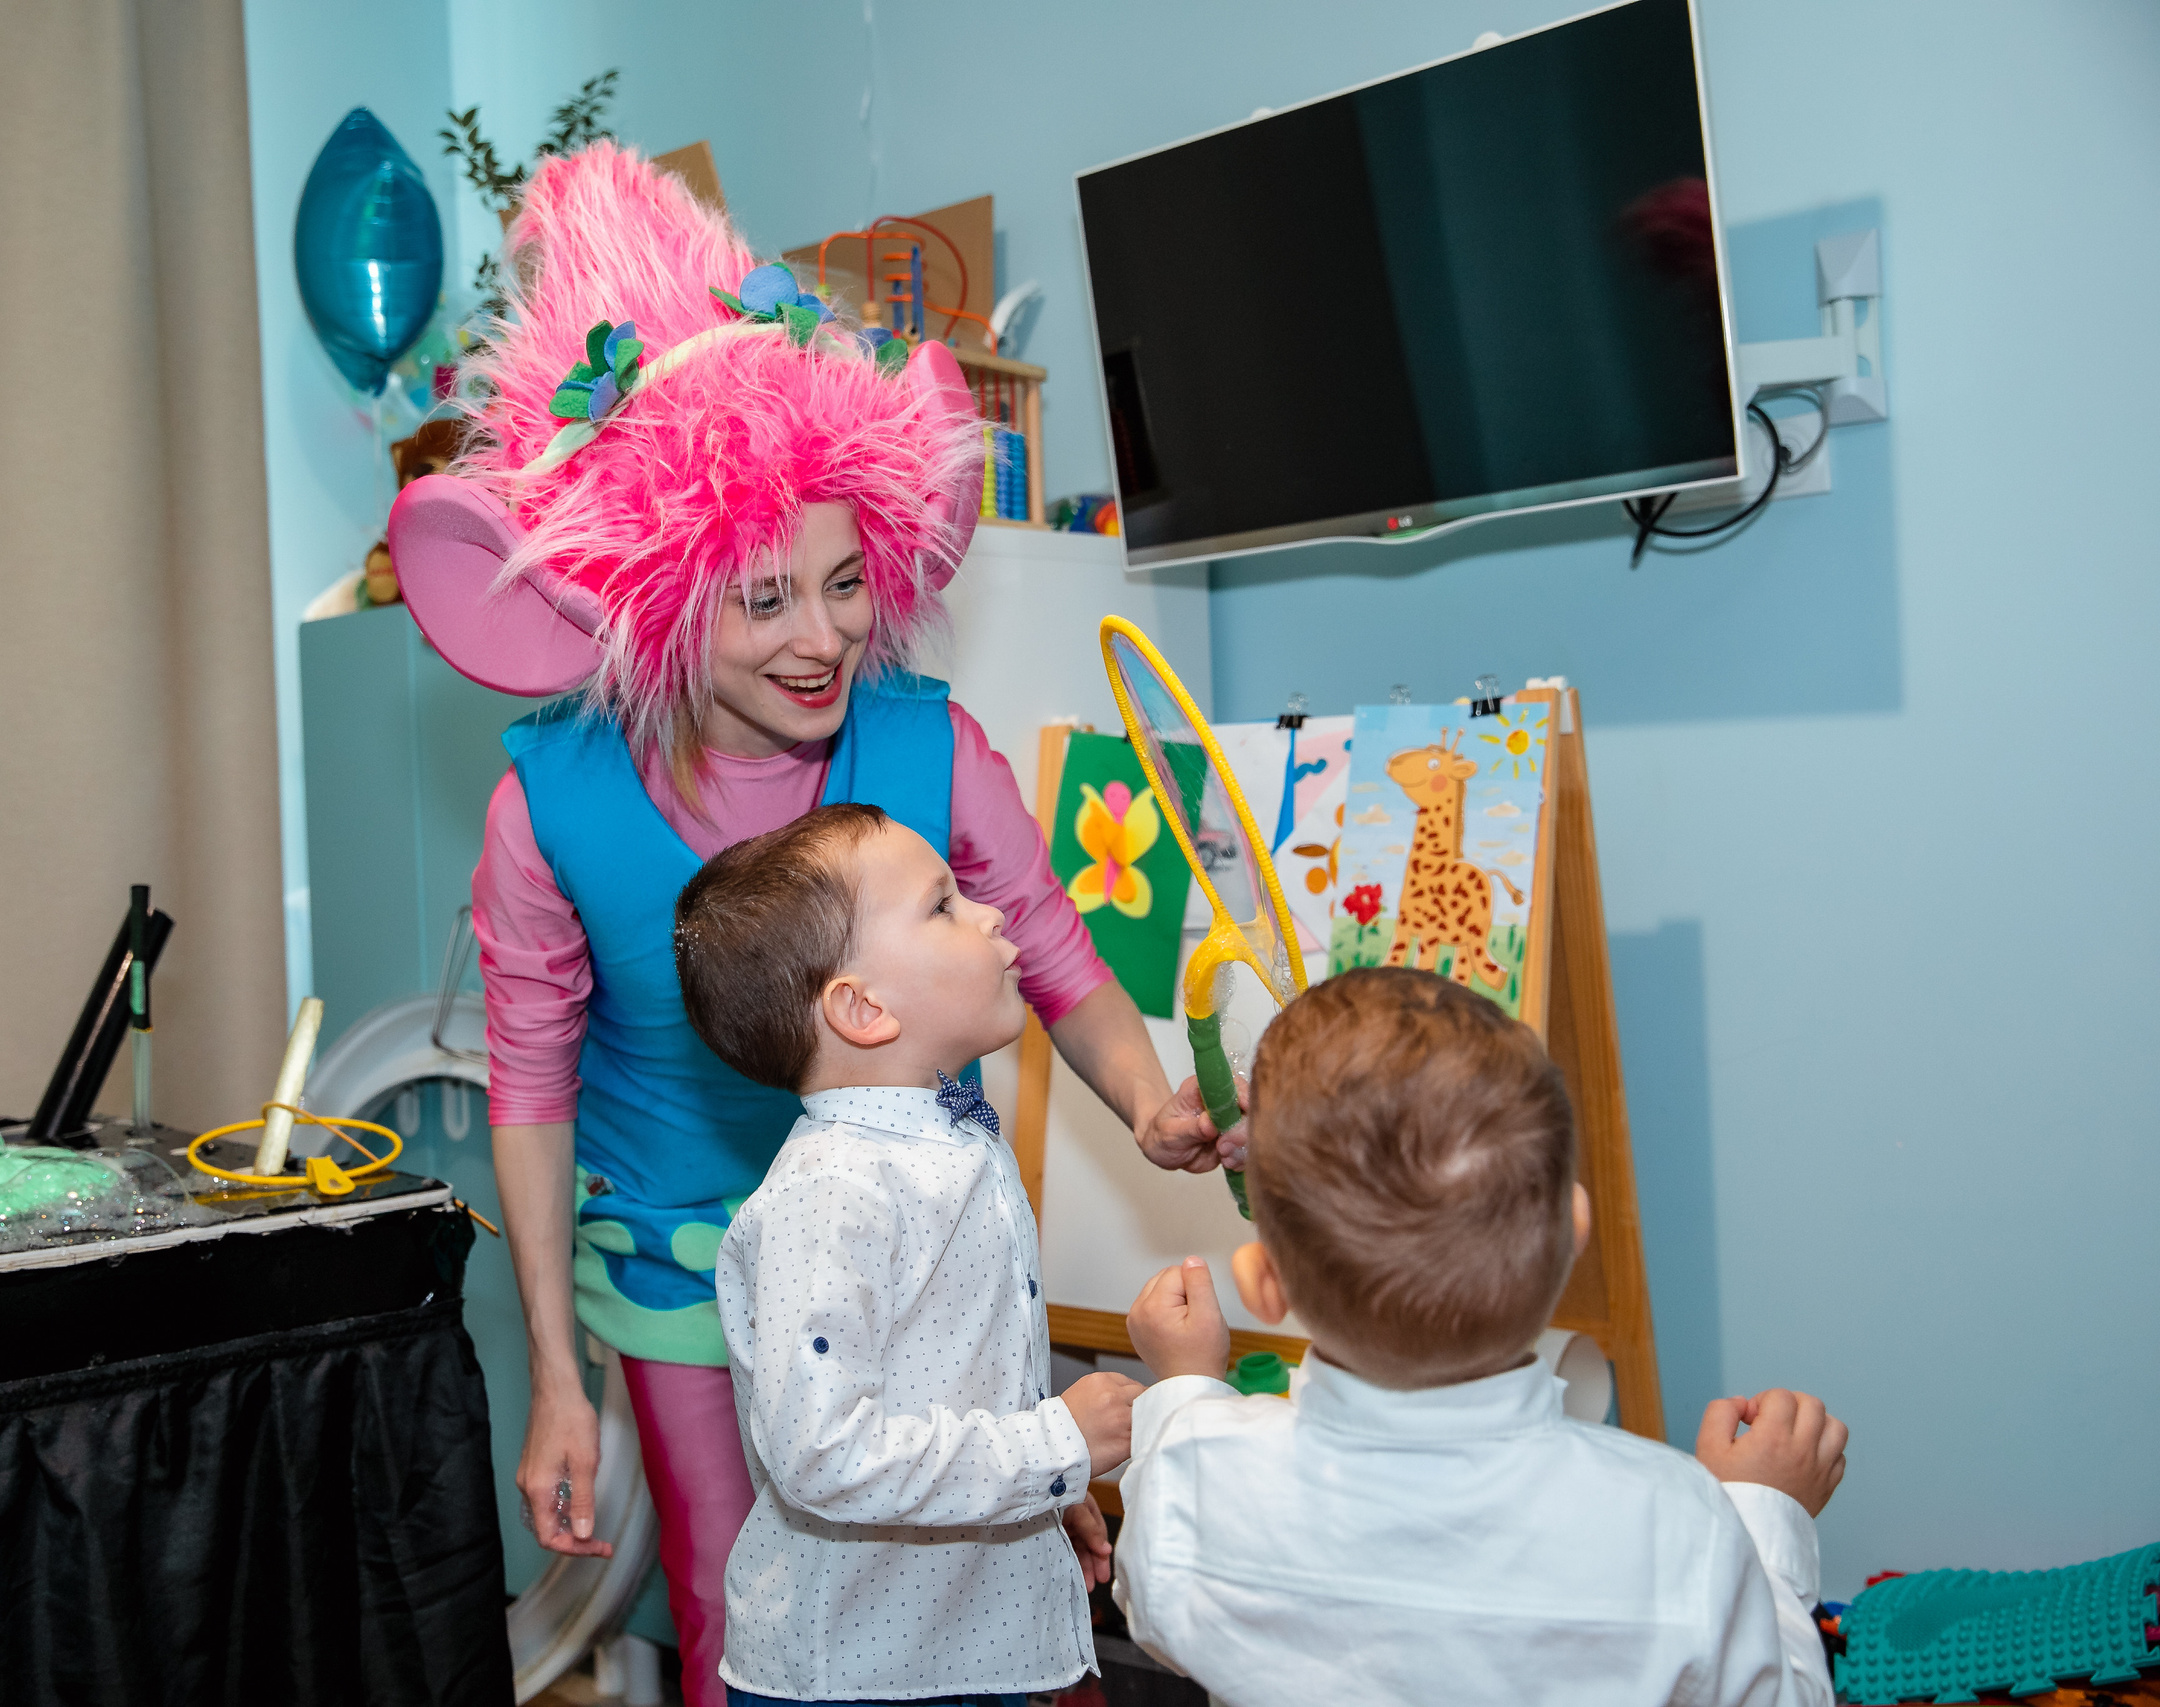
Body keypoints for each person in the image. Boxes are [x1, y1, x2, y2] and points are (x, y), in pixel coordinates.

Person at [382, 141, 1238, 1707]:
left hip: (929, 1246)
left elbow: (1053, 954)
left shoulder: (927, 743)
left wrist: (1155, 1098)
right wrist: (559, 1381)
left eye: (847, 584)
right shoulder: (550, 803)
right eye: (764, 597)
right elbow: (530, 1085)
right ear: (660, 593)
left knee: (987, 1556)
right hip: (676, 1254)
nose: (827, 633)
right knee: (736, 1593)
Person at [1113, 967, 1847, 1707]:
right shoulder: (1681, 1528)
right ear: (1576, 1226)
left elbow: (1153, 1599)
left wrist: (1183, 1391)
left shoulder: (1198, 1480)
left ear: (1264, 1284)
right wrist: (1764, 1515)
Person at [678, 803, 1139, 1707]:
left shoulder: (950, 1143)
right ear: (862, 1007)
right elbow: (824, 1453)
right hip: (859, 1672)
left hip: (975, 1642)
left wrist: (1048, 1485)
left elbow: (957, 1376)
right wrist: (1051, 1443)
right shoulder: (832, 1190)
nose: (991, 914)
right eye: (944, 905)